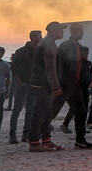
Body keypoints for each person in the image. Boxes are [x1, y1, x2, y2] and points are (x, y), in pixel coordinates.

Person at [57, 24, 92, 149]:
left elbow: (83, 65)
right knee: (56, 108)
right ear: (75, 32)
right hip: (70, 84)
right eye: (81, 31)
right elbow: (61, 65)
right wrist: (62, 82)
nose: (82, 33)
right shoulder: (66, 46)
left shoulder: (79, 46)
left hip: (81, 84)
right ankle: (41, 137)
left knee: (82, 111)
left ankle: (80, 139)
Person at [28, 21, 65, 152]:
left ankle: (46, 140)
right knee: (40, 113)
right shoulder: (49, 45)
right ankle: (34, 143)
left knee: (47, 113)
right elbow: (50, 69)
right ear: (54, 30)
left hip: (43, 84)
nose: (63, 31)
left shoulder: (48, 43)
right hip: (42, 85)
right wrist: (56, 87)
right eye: (61, 29)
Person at [8, 31, 41, 144]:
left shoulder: (38, 51)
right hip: (22, 84)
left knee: (30, 111)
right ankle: (12, 135)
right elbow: (13, 68)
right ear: (33, 37)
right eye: (39, 36)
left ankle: (25, 135)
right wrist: (20, 82)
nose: (41, 38)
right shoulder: (21, 51)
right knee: (17, 110)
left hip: (33, 85)